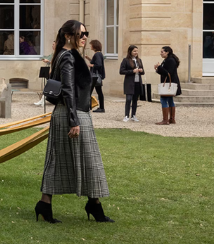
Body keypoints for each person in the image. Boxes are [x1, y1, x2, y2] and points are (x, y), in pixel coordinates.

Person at [35, 19, 112, 224]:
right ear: (69, 36)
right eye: (81, 34)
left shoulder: (64, 54)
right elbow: (68, 89)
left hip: (70, 113)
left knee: (63, 159)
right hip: (73, 114)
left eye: (86, 33)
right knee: (87, 159)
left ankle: (50, 204)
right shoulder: (68, 56)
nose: (85, 37)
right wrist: (74, 121)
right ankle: (91, 205)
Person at [154, 46, 181, 125]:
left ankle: (165, 120)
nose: (160, 53)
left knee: (164, 100)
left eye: (162, 52)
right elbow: (164, 72)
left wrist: (159, 67)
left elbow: (168, 73)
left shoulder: (170, 60)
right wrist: (157, 69)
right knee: (170, 100)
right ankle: (171, 119)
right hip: (169, 82)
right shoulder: (167, 60)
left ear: (167, 52)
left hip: (169, 83)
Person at [118, 45, 144, 123]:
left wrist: (140, 70)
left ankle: (133, 115)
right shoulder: (126, 60)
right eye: (134, 51)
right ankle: (126, 115)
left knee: (135, 100)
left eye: (137, 51)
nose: (136, 52)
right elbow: (121, 71)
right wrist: (132, 71)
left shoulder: (139, 60)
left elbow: (143, 72)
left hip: (137, 82)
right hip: (129, 82)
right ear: (130, 52)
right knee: (128, 99)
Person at [87, 40, 106, 113]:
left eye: (91, 45)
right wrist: (88, 58)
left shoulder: (97, 54)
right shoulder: (99, 54)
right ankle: (101, 107)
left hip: (95, 75)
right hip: (97, 75)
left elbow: (98, 65)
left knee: (89, 91)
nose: (90, 46)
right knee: (99, 91)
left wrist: (91, 65)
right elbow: (96, 62)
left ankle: (88, 107)